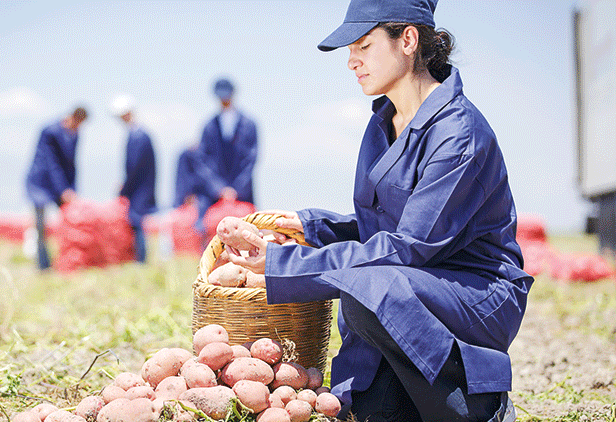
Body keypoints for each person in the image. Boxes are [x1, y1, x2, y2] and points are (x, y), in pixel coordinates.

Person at [224, 1, 532, 421]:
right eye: (350, 50)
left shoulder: (459, 133)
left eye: (364, 46)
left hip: (475, 293)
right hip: (414, 286)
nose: (352, 61)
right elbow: (379, 229)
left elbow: (408, 247)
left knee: (368, 288)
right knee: (372, 407)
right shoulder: (382, 122)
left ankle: (478, 405)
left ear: (407, 40)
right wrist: (315, 228)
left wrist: (284, 264)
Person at [25, 106, 88, 270]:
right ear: (73, 117)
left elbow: (71, 165)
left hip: (61, 185)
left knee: (70, 219)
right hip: (41, 183)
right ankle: (43, 264)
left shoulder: (75, 134)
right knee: (40, 225)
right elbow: (52, 164)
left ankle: (68, 260)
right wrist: (63, 190)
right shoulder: (50, 131)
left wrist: (72, 189)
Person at [193, 78, 258, 231]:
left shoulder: (248, 124)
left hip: (242, 191)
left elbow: (251, 159)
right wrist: (219, 188)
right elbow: (202, 160)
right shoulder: (209, 126)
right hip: (214, 193)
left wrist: (236, 189)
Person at [110, 94, 157, 264]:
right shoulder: (138, 134)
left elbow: (133, 166)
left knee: (137, 223)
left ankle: (141, 260)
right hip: (141, 187)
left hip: (139, 189)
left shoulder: (138, 136)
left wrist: (124, 188)